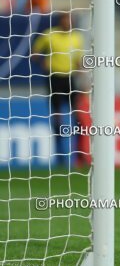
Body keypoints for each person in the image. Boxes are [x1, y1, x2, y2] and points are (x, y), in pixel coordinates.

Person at [32, 12, 84, 157]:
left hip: (70, 78)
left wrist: (83, 76)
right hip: (54, 78)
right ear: (60, 21)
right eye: (66, 20)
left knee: (77, 114)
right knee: (57, 116)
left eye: (70, 20)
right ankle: (59, 152)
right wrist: (44, 64)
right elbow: (34, 52)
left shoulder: (77, 37)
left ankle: (79, 150)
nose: (68, 23)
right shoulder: (49, 35)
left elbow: (78, 60)